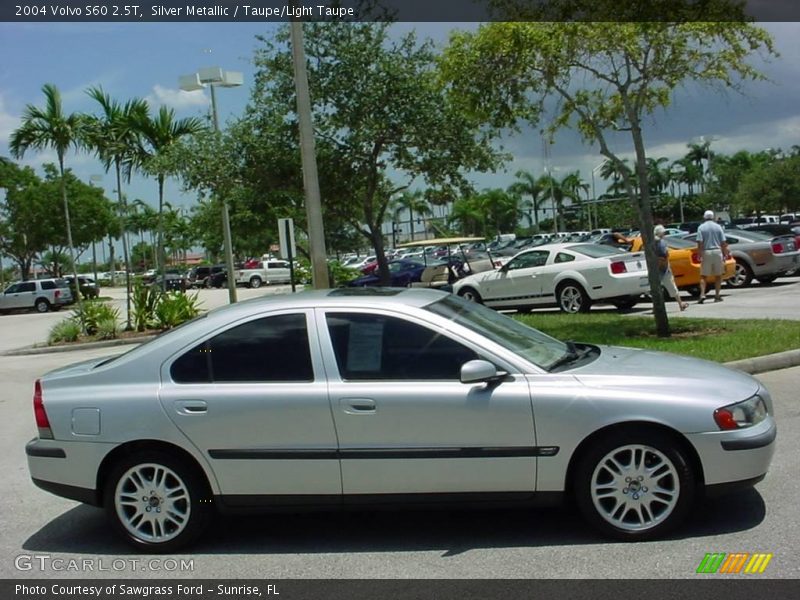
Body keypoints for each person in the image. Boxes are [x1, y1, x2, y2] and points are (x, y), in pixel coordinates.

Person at [696, 210, 729, 303]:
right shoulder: (718, 227)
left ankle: (702, 294)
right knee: (718, 275)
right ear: (713, 217)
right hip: (717, 251)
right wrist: (725, 253)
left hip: (706, 251)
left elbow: (699, 242)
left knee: (703, 276)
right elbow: (723, 242)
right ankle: (717, 295)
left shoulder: (701, 228)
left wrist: (699, 254)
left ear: (704, 217)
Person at [654, 225, 688, 311]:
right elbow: (664, 255)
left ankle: (655, 308)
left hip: (654, 267)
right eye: (664, 232)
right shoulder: (661, 242)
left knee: (655, 289)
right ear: (660, 233)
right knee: (672, 286)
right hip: (663, 268)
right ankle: (681, 304)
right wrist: (665, 265)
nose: (664, 234)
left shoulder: (651, 242)